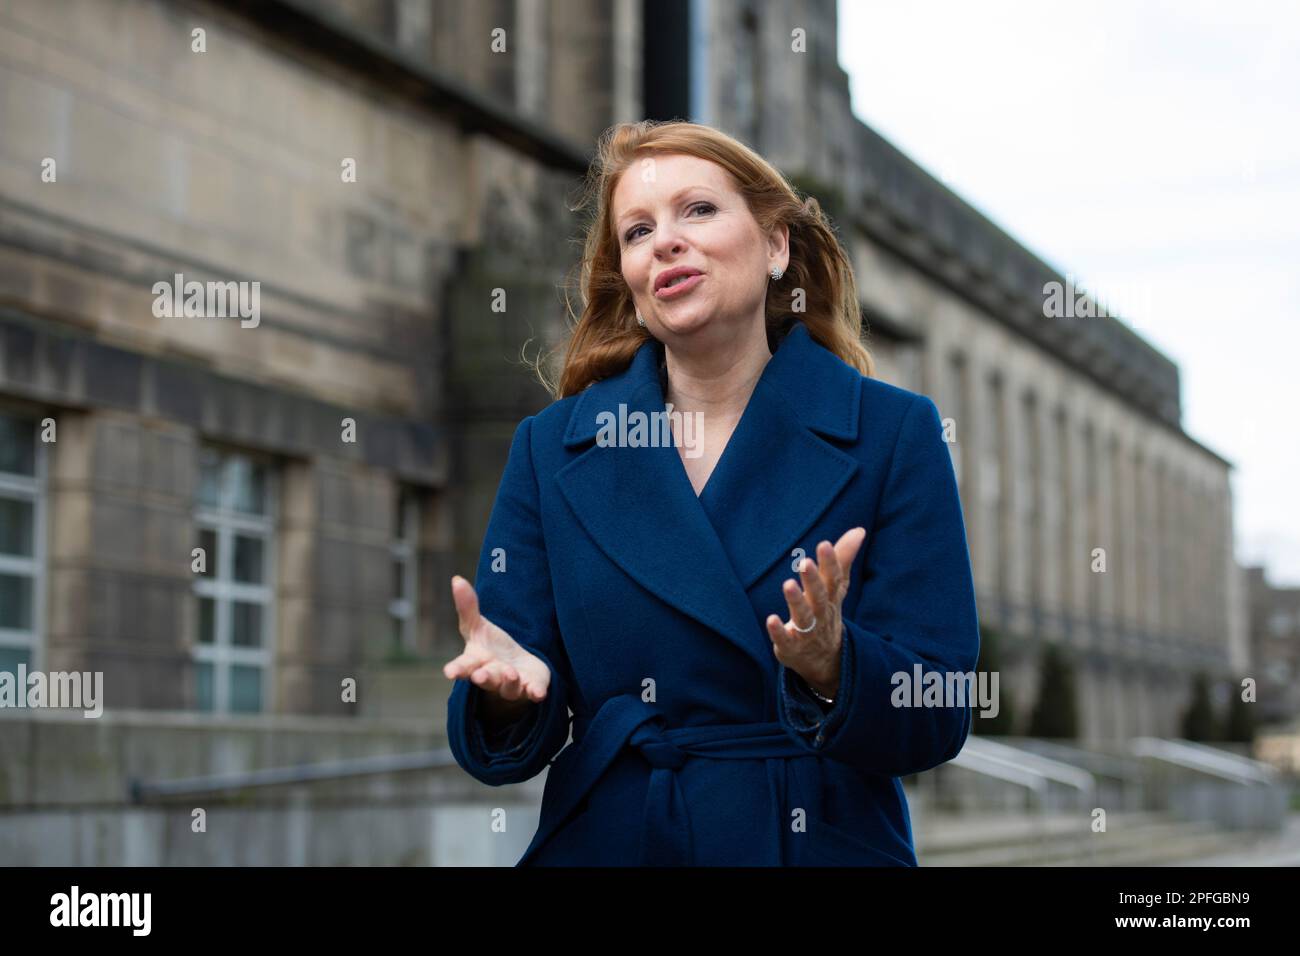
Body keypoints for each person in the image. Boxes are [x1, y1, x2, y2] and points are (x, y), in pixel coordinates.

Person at [443, 119, 980, 866]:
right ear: (630, 286)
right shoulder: (551, 447)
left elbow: (942, 707)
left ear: (775, 246)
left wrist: (835, 663)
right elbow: (511, 699)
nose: (664, 241)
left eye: (698, 211)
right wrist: (506, 692)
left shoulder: (892, 434)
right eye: (637, 231)